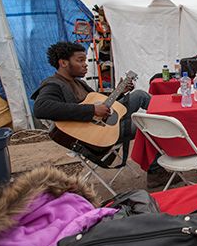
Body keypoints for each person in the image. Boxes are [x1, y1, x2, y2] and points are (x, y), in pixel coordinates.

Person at [31, 42, 168, 189]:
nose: (85, 65)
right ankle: (156, 172)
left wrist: (119, 92)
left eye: (85, 60)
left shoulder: (78, 83)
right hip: (90, 137)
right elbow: (40, 108)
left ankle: (171, 114)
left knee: (139, 95)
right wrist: (92, 110)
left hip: (102, 125)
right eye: (80, 60)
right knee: (147, 125)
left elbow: (102, 103)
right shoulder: (53, 84)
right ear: (63, 63)